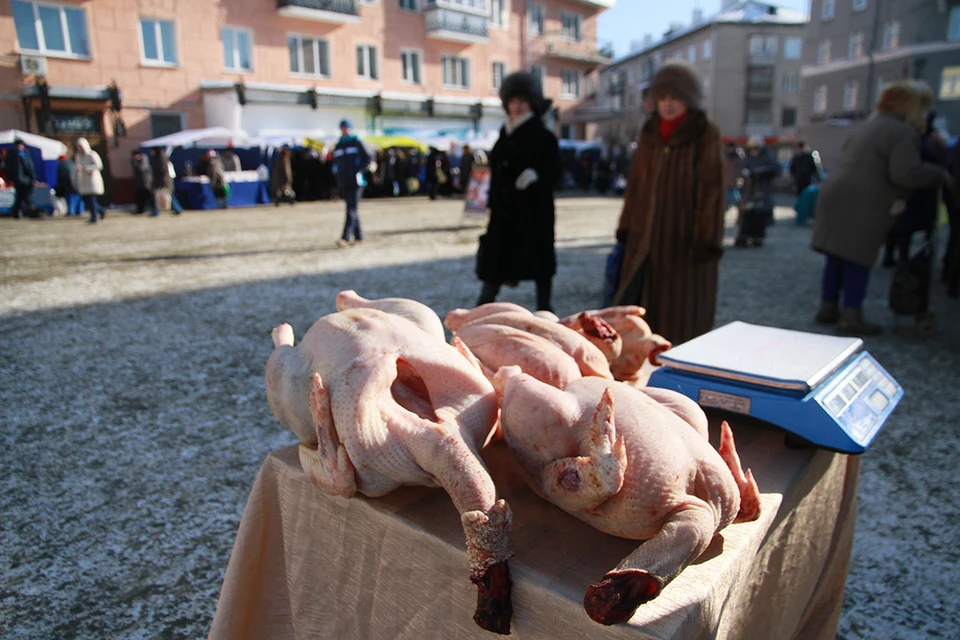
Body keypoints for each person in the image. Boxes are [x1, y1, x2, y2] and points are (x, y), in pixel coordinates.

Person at [811, 80, 952, 335]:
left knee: (837, 256)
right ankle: (850, 315)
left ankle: (828, 306)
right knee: (858, 257)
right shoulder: (900, 131)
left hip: (837, 193)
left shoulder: (870, 125)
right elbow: (905, 172)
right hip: (863, 200)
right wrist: (938, 175)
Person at [613, 61, 725, 346]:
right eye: (662, 98)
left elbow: (711, 189)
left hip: (683, 241)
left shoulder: (704, 133)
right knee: (639, 309)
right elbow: (636, 185)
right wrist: (626, 228)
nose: (668, 105)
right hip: (643, 238)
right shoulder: (650, 133)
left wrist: (705, 238)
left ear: (688, 99)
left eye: (675, 98)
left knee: (681, 314)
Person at [475, 71, 560, 312]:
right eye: (513, 101)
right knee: (494, 270)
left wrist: (537, 175)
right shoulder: (503, 135)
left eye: (523, 101)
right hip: (503, 216)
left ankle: (546, 312)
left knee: (540, 268)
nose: (518, 106)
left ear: (531, 103)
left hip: (533, 215)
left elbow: (555, 171)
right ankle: (479, 312)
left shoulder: (543, 136)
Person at [882, 111, 944, 266]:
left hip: (906, 189)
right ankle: (900, 259)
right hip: (913, 190)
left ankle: (893, 256)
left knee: (899, 223)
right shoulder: (915, 140)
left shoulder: (909, 138)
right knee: (904, 225)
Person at [332, 119, 371, 247]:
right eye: (342, 128)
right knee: (352, 209)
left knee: (351, 209)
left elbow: (369, 156)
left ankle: (345, 238)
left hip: (356, 181)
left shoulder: (356, 142)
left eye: (346, 128)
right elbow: (336, 162)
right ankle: (359, 238)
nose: (344, 130)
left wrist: (359, 170)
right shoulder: (339, 144)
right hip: (345, 181)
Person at [736, 135, 780, 247]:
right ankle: (743, 237)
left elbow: (776, 169)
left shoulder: (768, 157)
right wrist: (746, 173)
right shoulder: (746, 157)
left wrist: (763, 173)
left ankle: (758, 237)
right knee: (745, 214)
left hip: (763, 189)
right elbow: (741, 169)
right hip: (748, 190)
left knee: (761, 214)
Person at [74, 137, 106, 224]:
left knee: (92, 199)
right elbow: (77, 168)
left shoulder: (92, 154)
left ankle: (94, 217)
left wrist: (86, 168)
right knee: (86, 199)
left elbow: (98, 165)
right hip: (83, 180)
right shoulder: (78, 156)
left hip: (92, 179)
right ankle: (101, 210)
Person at [5, 139, 37, 219]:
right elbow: (28, 166)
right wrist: (33, 177)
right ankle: (32, 210)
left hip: (15, 179)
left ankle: (16, 212)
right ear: (22, 144)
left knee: (19, 196)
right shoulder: (22, 153)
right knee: (26, 196)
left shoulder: (9, 154)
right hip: (24, 178)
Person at [150, 147, 183, 216]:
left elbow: (162, 172)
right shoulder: (158, 158)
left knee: (167, 196)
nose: (151, 153)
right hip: (161, 182)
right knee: (165, 197)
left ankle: (177, 209)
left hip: (163, 182)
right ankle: (156, 211)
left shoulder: (161, 159)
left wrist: (162, 183)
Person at [130, 149, 153, 215]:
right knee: (139, 197)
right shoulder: (134, 161)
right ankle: (140, 210)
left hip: (145, 182)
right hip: (138, 183)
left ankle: (153, 209)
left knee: (149, 196)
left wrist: (136, 162)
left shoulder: (144, 159)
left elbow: (142, 168)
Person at [722, 141, 743, 211]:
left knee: (738, 200)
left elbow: (741, 169)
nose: (731, 149)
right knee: (727, 201)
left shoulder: (737, 158)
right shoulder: (724, 157)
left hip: (735, 182)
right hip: (726, 183)